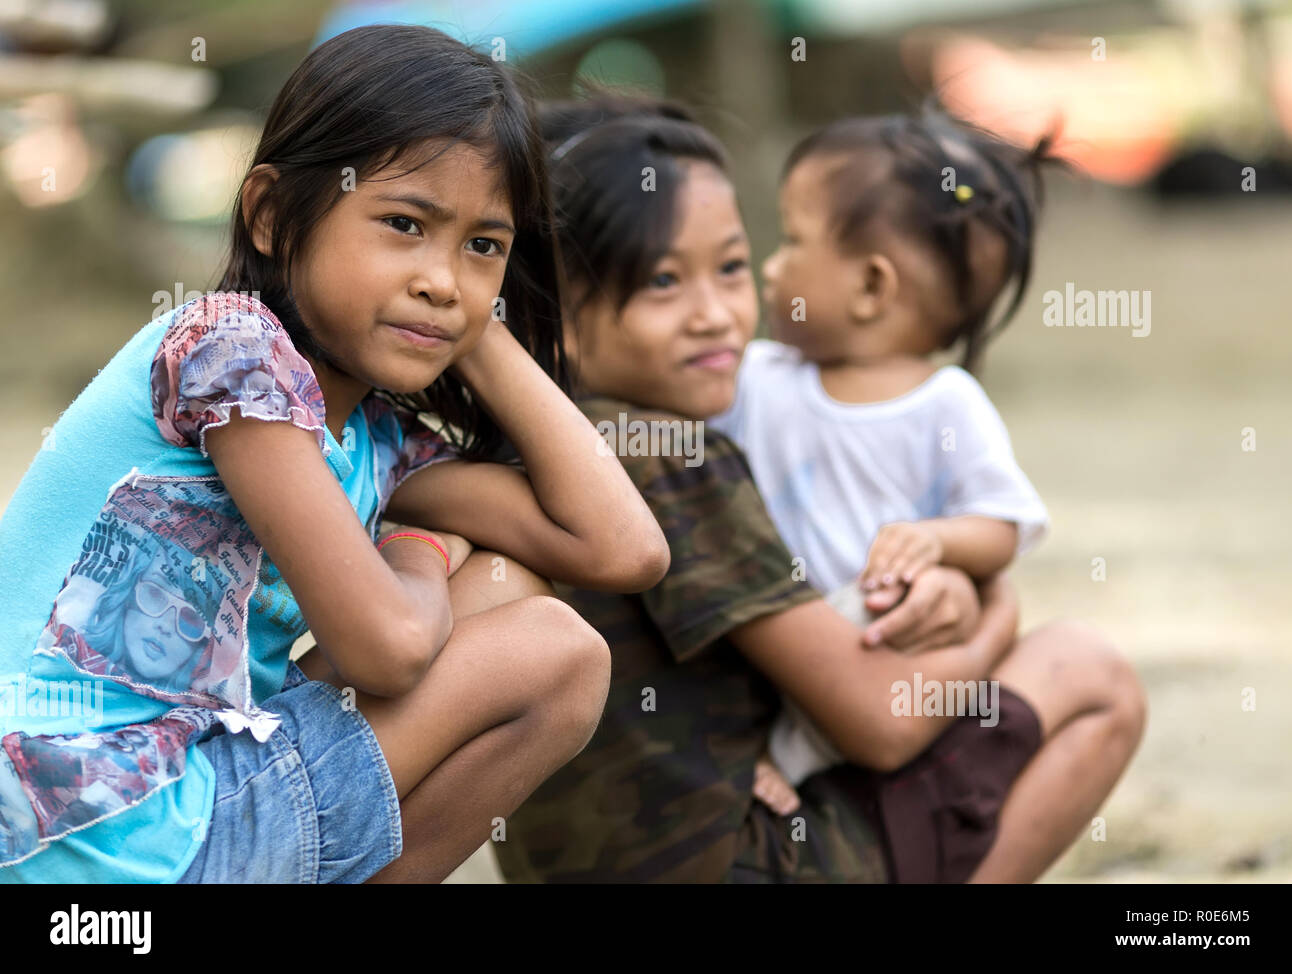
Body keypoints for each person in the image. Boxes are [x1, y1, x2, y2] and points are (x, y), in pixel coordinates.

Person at [0, 26, 668, 883]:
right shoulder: (229, 349)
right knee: (558, 655)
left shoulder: (378, 438)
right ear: (273, 215)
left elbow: (624, 548)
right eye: (403, 224)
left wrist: (474, 328)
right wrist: (416, 554)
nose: (441, 276)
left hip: (171, 810)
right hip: (93, 829)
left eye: (483, 245)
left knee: (509, 586)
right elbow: (387, 649)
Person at [492, 96, 1146, 883]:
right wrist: (996, 613)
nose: (718, 316)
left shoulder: (524, 444)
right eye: (664, 281)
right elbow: (879, 724)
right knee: (1089, 672)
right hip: (749, 861)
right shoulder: (666, 456)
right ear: (555, 306)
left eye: (732, 266)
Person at [710, 110, 1056, 815]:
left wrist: (938, 540)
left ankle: (797, 756)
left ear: (872, 287)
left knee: (888, 603)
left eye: (792, 241)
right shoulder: (760, 378)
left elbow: (1005, 525)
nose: (770, 268)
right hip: (786, 644)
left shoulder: (945, 403)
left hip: (888, 648)